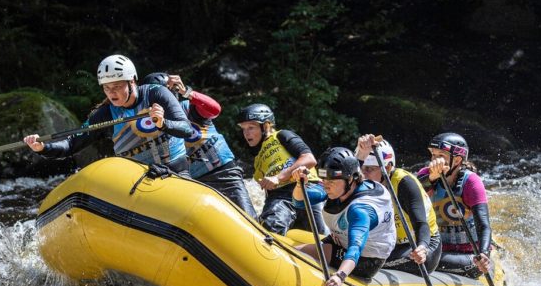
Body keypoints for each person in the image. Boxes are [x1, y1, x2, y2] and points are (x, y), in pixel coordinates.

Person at [24, 55, 194, 173]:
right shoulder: (105, 114)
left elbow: (187, 129)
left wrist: (163, 123)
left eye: (117, 87)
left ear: (132, 81)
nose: (112, 93)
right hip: (138, 180)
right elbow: (71, 145)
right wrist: (43, 148)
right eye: (107, 88)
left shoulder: (156, 93)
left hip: (175, 172)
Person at [140, 72, 257, 218]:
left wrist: (186, 92)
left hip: (222, 172)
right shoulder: (146, 122)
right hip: (195, 181)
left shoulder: (188, 107)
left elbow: (215, 109)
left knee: (248, 219)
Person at [292, 147, 396, 286]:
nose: (326, 184)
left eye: (331, 180)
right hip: (340, 240)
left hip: (366, 259)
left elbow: (355, 248)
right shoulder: (339, 186)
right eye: (324, 178)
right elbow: (299, 201)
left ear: (351, 179)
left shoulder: (360, 210)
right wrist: (299, 183)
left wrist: (340, 276)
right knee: (293, 252)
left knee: (298, 255)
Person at [354, 134, 442, 275]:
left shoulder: (404, 183)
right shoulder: (363, 183)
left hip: (422, 246)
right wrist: (360, 154)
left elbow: (421, 224)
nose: (363, 175)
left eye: (369, 169)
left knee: (363, 262)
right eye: (362, 169)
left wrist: (422, 247)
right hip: (390, 245)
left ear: (387, 168)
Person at [236, 104, 325, 235]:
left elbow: (309, 159)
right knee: (270, 227)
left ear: (265, 126)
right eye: (243, 129)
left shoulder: (281, 136)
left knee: (323, 234)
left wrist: (278, 177)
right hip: (280, 196)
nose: (246, 133)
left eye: (251, 127)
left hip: (307, 187)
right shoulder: (257, 160)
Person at [417, 132, 493, 279]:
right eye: (433, 155)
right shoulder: (425, 175)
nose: (435, 161)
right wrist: (432, 178)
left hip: (468, 255)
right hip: (437, 250)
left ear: (457, 160)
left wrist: (484, 253)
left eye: (441, 156)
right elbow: (411, 198)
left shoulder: (471, 182)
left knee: (472, 265)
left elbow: (483, 224)